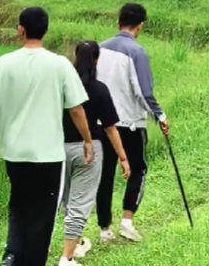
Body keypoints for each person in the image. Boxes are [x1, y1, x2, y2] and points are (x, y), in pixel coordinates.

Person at [0, 7, 94, 266]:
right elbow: (77, 109)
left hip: (15, 154)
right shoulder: (60, 64)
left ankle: (12, 254)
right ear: (45, 31)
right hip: (48, 156)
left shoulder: (4, 63)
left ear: (20, 30)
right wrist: (88, 141)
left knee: (19, 205)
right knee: (43, 216)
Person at [95, 2, 169, 243]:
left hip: (102, 123)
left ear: (118, 23)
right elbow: (144, 92)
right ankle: (127, 221)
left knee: (104, 175)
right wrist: (160, 116)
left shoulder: (100, 48)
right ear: (140, 26)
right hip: (130, 123)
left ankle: (104, 229)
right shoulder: (137, 52)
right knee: (138, 169)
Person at [58, 41, 131, 266]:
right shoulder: (99, 89)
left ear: (75, 57)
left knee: (68, 201)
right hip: (88, 150)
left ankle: (77, 245)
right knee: (80, 203)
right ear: (96, 60)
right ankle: (66, 258)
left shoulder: (62, 85)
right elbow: (110, 128)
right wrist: (123, 157)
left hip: (59, 148)